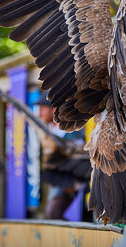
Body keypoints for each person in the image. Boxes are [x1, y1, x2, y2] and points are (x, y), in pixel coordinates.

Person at [34, 92, 88, 220]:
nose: (39, 113)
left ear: (54, 110)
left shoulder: (70, 129)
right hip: (56, 178)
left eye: (42, 108)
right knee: (50, 213)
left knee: (54, 213)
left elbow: (81, 155)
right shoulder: (49, 131)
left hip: (71, 179)